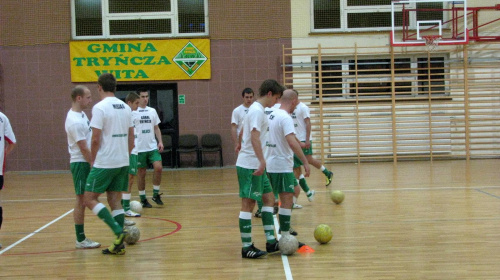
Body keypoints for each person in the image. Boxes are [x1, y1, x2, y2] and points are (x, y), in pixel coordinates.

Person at [83, 73, 134, 255]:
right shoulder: (126, 108)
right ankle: (118, 245)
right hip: (122, 160)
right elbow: (131, 137)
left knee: (88, 198)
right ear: (115, 87)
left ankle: (118, 231)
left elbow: (95, 139)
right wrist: (125, 157)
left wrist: (93, 161)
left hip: (105, 161)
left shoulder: (100, 108)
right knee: (115, 201)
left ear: (99, 87)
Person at [236, 79, 284, 259]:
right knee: (248, 204)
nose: (277, 102)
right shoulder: (256, 111)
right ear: (270, 94)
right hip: (250, 165)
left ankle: (271, 241)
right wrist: (262, 160)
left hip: (256, 164)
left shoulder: (258, 111)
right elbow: (254, 136)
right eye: (277, 98)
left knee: (269, 199)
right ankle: (246, 247)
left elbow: (244, 133)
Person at [266, 89, 310, 242]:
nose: (295, 108)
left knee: (268, 200)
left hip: (268, 162)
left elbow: (290, 136)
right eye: (295, 104)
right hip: (281, 164)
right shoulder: (285, 117)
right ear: (292, 102)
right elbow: (290, 141)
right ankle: (284, 235)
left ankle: (271, 237)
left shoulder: (269, 112)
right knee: (286, 198)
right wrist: (305, 161)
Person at [65, 85, 101, 249]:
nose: (90, 99)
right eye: (87, 97)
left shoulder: (82, 115)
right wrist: (93, 164)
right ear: (78, 98)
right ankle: (80, 239)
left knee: (90, 197)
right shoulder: (74, 121)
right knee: (81, 199)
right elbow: (84, 147)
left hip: (86, 161)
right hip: (81, 163)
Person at [291, 89, 333, 205]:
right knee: (297, 166)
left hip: (303, 139)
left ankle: (327, 173)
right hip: (295, 139)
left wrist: (308, 139)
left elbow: (308, 123)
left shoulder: (303, 107)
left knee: (305, 161)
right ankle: (308, 193)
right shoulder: (290, 108)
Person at [135, 89, 164, 208]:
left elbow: (156, 128)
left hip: (152, 146)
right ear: (138, 98)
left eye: (147, 96)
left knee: (158, 167)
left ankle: (155, 194)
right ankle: (142, 198)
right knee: (141, 173)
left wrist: (160, 141)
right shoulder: (133, 112)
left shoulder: (152, 111)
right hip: (139, 148)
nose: (145, 99)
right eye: (142, 96)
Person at [121, 92, 142, 218]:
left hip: (134, 150)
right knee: (128, 179)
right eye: (136, 103)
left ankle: (124, 205)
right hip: (129, 151)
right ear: (129, 102)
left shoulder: (133, 114)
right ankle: (126, 207)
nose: (138, 106)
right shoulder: (126, 115)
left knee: (130, 179)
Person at [0, 110, 16, 250]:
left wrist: (3, 155)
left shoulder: (2, 118)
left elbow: (12, 142)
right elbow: (12, 143)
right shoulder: (3, 117)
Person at [231, 88, 254, 152]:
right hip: (242, 141)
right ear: (243, 97)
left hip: (253, 139)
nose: (249, 99)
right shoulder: (237, 111)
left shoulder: (256, 110)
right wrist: (236, 143)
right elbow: (233, 127)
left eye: (251, 97)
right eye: (247, 97)